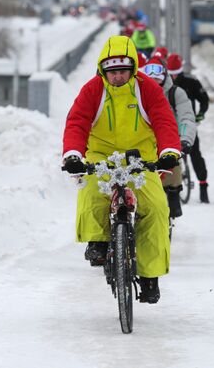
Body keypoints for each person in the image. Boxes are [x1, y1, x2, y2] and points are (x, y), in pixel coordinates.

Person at [62, 35, 181, 304]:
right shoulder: (92, 90)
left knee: (157, 208)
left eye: (123, 71)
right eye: (112, 72)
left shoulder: (147, 89)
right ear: (103, 70)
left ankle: (150, 278)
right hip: (101, 153)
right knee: (92, 189)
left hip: (141, 158)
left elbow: (164, 120)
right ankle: (99, 242)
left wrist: (168, 152)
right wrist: (73, 155)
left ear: (133, 69)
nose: (117, 77)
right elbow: (77, 123)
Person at [143, 56, 197, 218]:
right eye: (149, 72)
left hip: (168, 138)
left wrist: (185, 138)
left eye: (157, 73)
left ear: (164, 75)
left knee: (173, 165)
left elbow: (186, 116)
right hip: (144, 140)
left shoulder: (175, 94)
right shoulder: (136, 94)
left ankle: (173, 193)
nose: (153, 77)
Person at [166, 52, 211, 203]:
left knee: (195, 155)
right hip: (169, 126)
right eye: (170, 74)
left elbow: (204, 99)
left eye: (176, 74)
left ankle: (203, 186)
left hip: (187, 125)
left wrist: (200, 114)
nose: (173, 77)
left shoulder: (192, 83)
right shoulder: (163, 85)